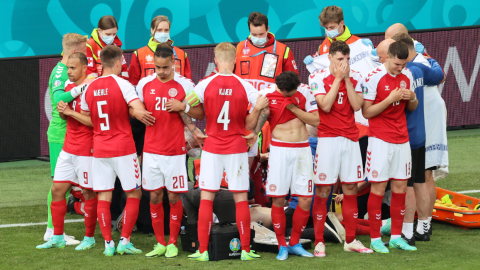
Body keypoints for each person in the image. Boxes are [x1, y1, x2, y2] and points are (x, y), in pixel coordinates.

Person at [172, 42, 269, 261]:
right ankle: (245, 250)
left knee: (207, 197)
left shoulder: (205, 84)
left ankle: (203, 250)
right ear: (235, 60)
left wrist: (194, 130)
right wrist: (254, 132)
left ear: (215, 60)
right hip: (236, 146)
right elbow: (265, 107)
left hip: (212, 146)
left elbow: (182, 106)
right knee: (240, 198)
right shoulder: (244, 85)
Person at [80, 45, 154, 256]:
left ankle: (107, 244)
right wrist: (132, 109)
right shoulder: (123, 84)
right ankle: (124, 241)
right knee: (134, 193)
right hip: (123, 148)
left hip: (100, 149)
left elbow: (88, 118)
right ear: (120, 61)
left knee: (104, 195)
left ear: (101, 62)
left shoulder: (90, 88)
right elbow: (139, 110)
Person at [135, 43, 203, 258]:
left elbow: (200, 112)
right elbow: (133, 106)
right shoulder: (144, 83)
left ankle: (173, 242)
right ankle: (159, 243)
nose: (161, 72)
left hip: (175, 151)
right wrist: (137, 113)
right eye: (157, 67)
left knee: (174, 197)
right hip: (152, 151)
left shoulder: (186, 85)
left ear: (173, 63)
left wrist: (183, 107)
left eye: (165, 67)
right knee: (155, 196)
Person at [309, 41, 373, 256]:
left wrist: (346, 79)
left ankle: (351, 240)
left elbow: (357, 107)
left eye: (346, 59)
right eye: (339, 59)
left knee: (350, 189)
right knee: (323, 190)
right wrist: (337, 79)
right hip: (327, 140)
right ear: (330, 58)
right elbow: (324, 105)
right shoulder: (317, 77)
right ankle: (319, 241)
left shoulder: (356, 76)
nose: (344, 63)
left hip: (350, 139)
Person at [252, 71, 319, 260]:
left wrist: (294, 108)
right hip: (280, 151)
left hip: (302, 151)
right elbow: (254, 120)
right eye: (283, 93)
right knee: (278, 199)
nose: (285, 96)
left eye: (289, 93)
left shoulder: (305, 92)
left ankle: (295, 242)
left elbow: (316, 120)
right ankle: (282, 244)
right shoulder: (266, 95)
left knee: (306, 199)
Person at [361, 41, 418, 253]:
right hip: (379, 140)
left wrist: (411, 97)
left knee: (400, 189)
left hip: (402, 139)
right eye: (396, 63)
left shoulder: (408, 76)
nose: (399, 68)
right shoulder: (373, 76)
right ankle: (375, 238)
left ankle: (395, 237)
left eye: (403, 64)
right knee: (377, 188)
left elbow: (412, 107)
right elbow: (367, 112)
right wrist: (390, 99)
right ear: (387, 57)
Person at [388, 33, 445, 244]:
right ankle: (423, 228)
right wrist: (429, 58)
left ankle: (407, 233)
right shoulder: (420, 68)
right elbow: (439, 76)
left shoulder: (403, 73)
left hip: (405, 136)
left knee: (407, 186)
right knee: (420, 181)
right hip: (420, 135)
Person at [37, 52, 96, 250]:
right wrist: (63, 112)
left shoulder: (92, 89)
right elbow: (64, 118)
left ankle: (89, 238)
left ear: (84, 68)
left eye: (73, 68)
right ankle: (57, 237)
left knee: (88, 193)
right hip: (68, 147)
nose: (69, 72)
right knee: (57, 189)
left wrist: (70, 111)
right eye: (68, 67)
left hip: (86, 149)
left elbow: (94, 122)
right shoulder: (69, 89)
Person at [235, 11, 299, 166]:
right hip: (244, 112)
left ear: (268, 29)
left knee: (270, 161)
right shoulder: (238, 48)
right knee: (244, 160)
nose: (257, 37)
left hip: (272, 113)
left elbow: (294, 83)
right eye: (253, 34)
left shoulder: (283, 50)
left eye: (261, 33)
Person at [44, 33, 87, 244]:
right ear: (73, 53)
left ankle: (54, 230)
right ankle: (52, 231)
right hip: (61, 133)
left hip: (66, 133)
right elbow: (60, 98)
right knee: (59, 185)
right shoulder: (61, 73)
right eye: (83, 52)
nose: (86, 55)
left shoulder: (62, 70)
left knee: (63, 184)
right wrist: (81, 88)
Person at [128, 15, 192, 86]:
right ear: (152, 30)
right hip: (149, 95)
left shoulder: (182, 54)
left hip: (175, 95)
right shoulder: (139, 54)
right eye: (159, 30)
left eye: (166, 30)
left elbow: (188, 83)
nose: (163, 33)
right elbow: (133, 84)